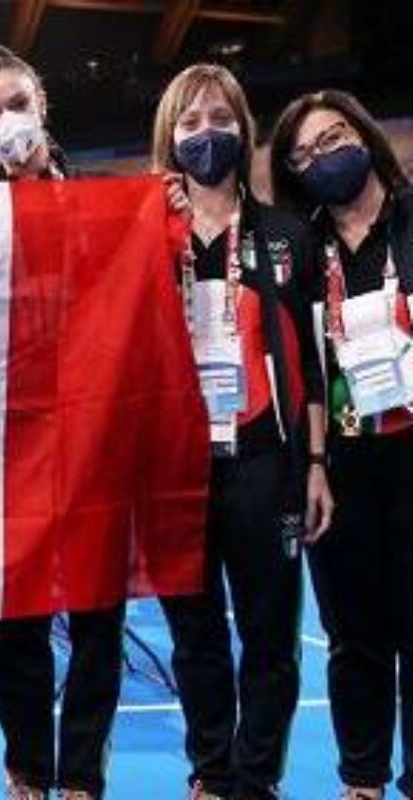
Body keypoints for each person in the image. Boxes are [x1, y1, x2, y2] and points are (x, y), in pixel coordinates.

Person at [151, 64, 332, 800]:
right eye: (191, 122)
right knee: (194, 637)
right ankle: (211, 773)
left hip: (264, 460)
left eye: (221, 119)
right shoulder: (148, 236)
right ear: (170, 137)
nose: (207, 134)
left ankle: (255, 781)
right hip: (175, 468)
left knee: (269, 637)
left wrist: (314, 462)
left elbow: (312, 365)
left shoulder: (286, 234)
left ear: (244, 129)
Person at [0, 44, 124, 800]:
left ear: (42, 104)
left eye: (17, 104)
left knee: (96, 616)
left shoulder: (110, 206)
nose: (8, 122)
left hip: (94, 438)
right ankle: (27, 768)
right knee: (17, 620)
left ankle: (82, 777)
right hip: (9, 443)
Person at [270, 89, 413, 800]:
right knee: (353, 634)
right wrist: (316, 464)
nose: (320, 157)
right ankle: (362, 779)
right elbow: (303, 363)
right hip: (343, 461)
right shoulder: (302, 245)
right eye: (302, 154)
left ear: (363, 133)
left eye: (331, 139)